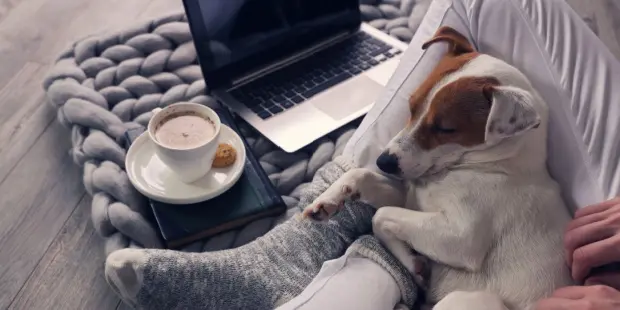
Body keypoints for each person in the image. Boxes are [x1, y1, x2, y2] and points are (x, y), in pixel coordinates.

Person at [275, 0, 620, 308]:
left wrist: (387, 222)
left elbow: (460, 243)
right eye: (414, 110)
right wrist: (361, 183)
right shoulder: (477, 165)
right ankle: (325, 247)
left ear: (502, 126)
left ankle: (321, 259)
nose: (396, 147)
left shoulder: (500, 182)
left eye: (443, 130)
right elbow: (418, 207)